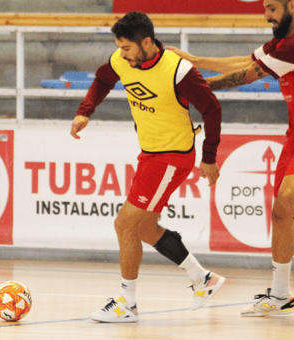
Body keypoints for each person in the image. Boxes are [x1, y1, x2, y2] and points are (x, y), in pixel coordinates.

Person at [168, 0, 294, 316]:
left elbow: (246, 75)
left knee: (289, 197)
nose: (266, 14)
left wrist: (193, 91)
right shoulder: (282, 42)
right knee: (280, 213)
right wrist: (194, 60)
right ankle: (281, 295)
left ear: (293, 6)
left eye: (271, 8)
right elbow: (246, 60)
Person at [70, 11, 225, 323]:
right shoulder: (121, 60)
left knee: (124, 224)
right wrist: (85, 111)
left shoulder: (178, 71)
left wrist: (209, 158)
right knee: (142, 228)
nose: (122, 55)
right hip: (150, 154)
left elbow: (212, 109)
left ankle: (128, 304)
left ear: (146, 42)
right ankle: (202, 278)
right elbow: (102, 79)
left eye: (127, 48)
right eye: (119, 48)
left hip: (172, 156)